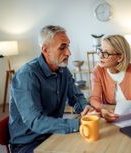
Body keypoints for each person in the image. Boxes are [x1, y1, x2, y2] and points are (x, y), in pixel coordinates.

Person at [9, 25, 93, 153]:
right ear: (45, 49)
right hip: (28, 143)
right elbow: (35, 121)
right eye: (62, 47)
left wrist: (85, 108)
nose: (69, 53)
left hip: (53, 134)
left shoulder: (63, 70)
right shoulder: (26, 75)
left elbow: (76, 96)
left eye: (68, 46)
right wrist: (77, 124)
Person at [89, 34, 131, 122]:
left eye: (106, 53)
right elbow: (94, 99)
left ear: (120, 57)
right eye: (100, 51)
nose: (101, 56)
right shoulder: (98, 71)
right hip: (113, 120)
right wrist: (104, 110)